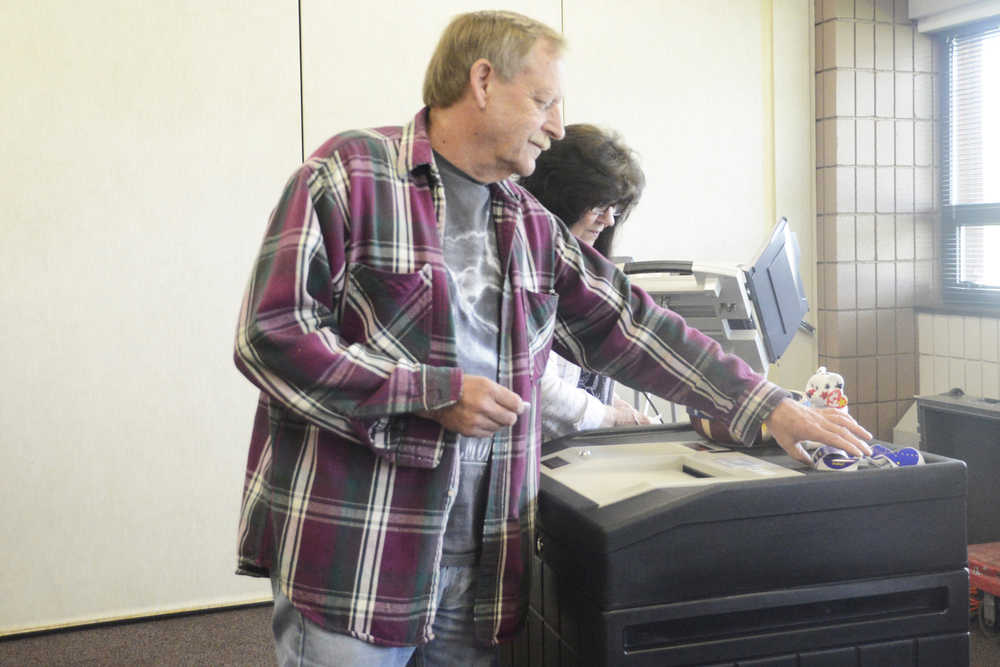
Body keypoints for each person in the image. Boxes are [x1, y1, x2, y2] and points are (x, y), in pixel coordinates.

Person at [232, 10, 873, 666]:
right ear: (482, 81)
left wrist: (768, 403)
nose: (558, 126)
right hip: (362, 555)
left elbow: (636, 325)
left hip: (478, 561)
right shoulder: (348, 174)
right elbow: (271, 333)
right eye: (544, 101)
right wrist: (427, 393)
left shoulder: (529, 223)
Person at [519, 123, 654, 440]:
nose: (609, 220)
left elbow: (574, 384)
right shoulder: (526, 263)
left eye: (615, 208)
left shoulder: (582, 267)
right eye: (600, 205)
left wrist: (618, 410)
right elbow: (541, 390)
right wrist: (610, 418)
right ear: (564, 197)